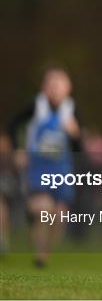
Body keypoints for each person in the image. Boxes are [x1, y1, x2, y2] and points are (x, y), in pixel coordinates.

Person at [7, 66, 82, 267]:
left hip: (61, 168)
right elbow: (12, 126)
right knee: (43, 209)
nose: (56, 88)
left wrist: (75, 134)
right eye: (51, 84)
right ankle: (40, 254)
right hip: (37, 167)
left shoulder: (71, 109)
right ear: (44, 88)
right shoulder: (35, 106)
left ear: (69, 88)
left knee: (59, 215)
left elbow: (78, 147)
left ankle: (46, 250)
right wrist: (18, 150)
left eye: (60, 84)